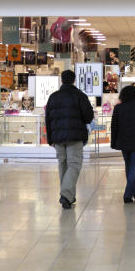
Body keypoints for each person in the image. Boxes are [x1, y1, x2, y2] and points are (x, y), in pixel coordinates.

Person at [45, 70, 94, 209]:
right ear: (74, 80)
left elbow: (47, 119)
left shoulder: (53, 97)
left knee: (63, 165)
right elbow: (89, 116)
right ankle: (66, 194)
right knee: (74, 164)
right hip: (75, 136)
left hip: (58, 138)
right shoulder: (80, 96)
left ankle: (68, 197)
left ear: (61, 80)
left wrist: (50, 139)